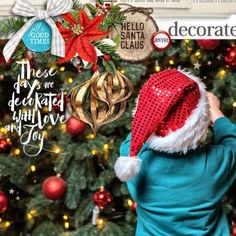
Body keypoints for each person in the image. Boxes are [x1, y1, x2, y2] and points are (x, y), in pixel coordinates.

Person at [114, 69, 236, 236]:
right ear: (200, 123)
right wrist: (215, 112)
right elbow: (233, 141)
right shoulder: (214, 163)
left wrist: (157, 108)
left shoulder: (133, 158)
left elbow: (139, 130)